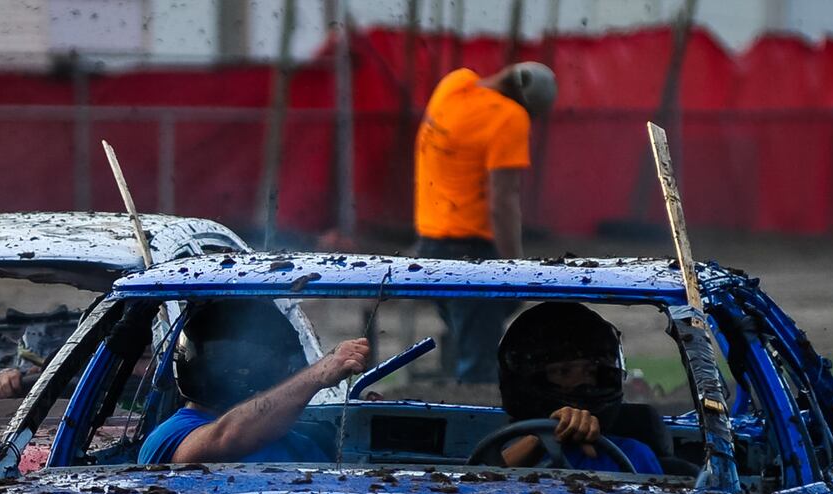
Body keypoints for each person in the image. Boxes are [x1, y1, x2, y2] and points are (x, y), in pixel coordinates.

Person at [414, 61, 556, 383]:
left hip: (429, 245)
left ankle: (448, 394)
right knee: (480, 368)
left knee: (465, 338)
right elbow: (503, 201)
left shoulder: (453, 85)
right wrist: (514, 269)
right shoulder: (510, 117)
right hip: (471, 254)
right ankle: (474, 426)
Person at [138, 299, 370, 465]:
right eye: (272, 363)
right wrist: (316, 376)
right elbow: (227, 438)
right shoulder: (169, 437)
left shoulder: (302, 445)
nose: (282, 375)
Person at [494, 301, 663, 474]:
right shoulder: (502, 450)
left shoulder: (633, 455)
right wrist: (542, 437)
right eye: (563, 372)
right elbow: (479, 483)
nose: (583, 383)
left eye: (591, 372)